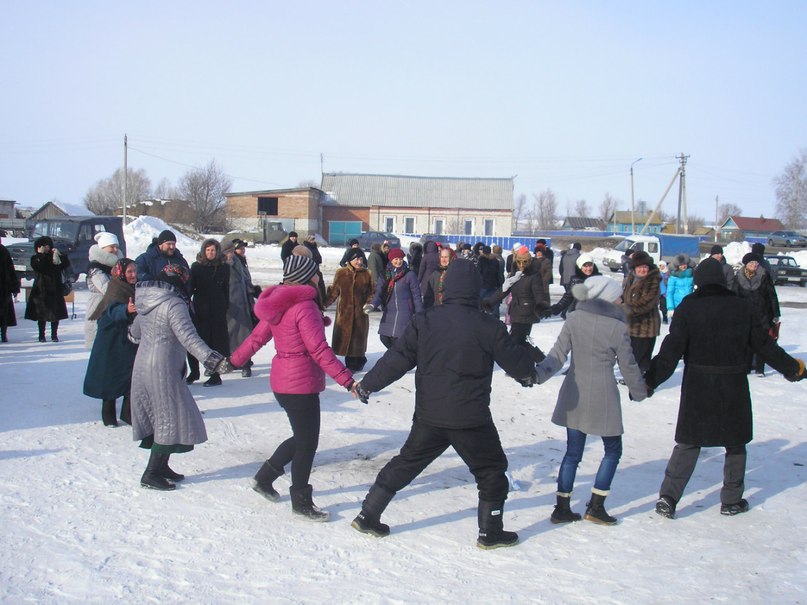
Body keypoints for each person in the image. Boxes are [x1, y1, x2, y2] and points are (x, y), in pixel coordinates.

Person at [350, 259, 538, 549]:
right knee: (491, 471)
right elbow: (518, 365)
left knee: (405, 463)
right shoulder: (488, 325)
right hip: (471, 420)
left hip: (430, 416)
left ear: (446, 288)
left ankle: (367, 514)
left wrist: (367, 385)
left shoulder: (425, 321)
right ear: (475, 288)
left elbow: (396, 360)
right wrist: (529, 369)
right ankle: (490, 533)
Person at [645, 257, 805, 519]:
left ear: (698, 282)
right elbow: (765, 347)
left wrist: (650, 379)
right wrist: (794, 369)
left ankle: (668, 498)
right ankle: (731, 500)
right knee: (736, 443)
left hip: (698, 384)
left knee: (688, 442)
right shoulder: (742, 307)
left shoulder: (688, 307)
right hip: (733, 384)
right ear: (722, 281)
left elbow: (671, 350)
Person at [229, 255, 356, 521]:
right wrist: (347, 380)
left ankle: (264, 478)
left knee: (301, 438)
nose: (319, 277)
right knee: (307, 443)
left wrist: (232, 361)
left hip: (283, 382)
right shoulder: (304, 306)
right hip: (300, 384)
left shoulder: (280, 303)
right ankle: (301, 501)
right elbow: (319, 350)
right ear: (307, 277)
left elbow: (256, 338)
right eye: (316, 273)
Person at [535, 275, 647, 525]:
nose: (621, 299)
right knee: (613, 450)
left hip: (574, 393)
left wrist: (538, 374)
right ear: (607, 297)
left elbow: (557, 355)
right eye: (618, 295)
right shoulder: (617, 327)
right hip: (603, 395)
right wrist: (639, 391)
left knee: (573, 453)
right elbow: (628, 365)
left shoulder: (574, 319)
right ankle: (596, 506)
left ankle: (561, 507)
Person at [129, 263, 229, 491]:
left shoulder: (147, 302)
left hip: (143, 365)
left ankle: (162, 466)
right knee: (169, 418)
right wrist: (213, 360)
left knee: (163, 417)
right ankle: (151, 472)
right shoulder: (174, 304)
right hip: (162, 369)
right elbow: (189, 338)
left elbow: (133, 335)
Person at [83, 258, 138, 427]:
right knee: (110, 380)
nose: (133, 275)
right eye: (129, 272)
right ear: (121, 273)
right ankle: (109, 417)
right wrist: (125, 310)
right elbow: (111, 311)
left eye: (135, 271)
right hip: (111, 341)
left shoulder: (135, 288)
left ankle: (128, 414)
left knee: (131, 379)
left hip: (128, 340)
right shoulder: (115, 289)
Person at [484, 246, 548, 345]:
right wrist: (490, 302)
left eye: (525, 262)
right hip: (515, 312)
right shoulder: (515, 276)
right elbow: (504, 290)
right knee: (518, 342)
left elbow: (538, 293)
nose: (521, 265)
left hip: (526, 313)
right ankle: (527, 358)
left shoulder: (534, 275)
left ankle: (530, 358)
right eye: (519, 262)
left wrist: (542, 307)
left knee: (517, 342)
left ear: (529, 261)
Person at [325, 247, 375, 372]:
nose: (359, 261)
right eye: (356, 259)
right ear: (350, 260)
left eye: (361, 259)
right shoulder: (341, 273)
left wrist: (369, 304)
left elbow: (372, 292)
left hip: (360, 314)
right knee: (346, 340)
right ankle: (351, 365)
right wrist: (324, 303)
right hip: (344, 314)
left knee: (358, 340)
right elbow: (334, 291)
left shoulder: (367, 274)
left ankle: (359, 361)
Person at [188, 239, 230, 387]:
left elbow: (226, 289)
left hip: (218, 311)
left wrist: (225, 306)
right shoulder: (196, 267)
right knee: (195, 341)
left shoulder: (224, 268)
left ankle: (215, 375)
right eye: (208, 250)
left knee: (217, 345)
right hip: (201, 310)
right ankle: (194, 371)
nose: (210, 253)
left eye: (213, 250)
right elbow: (190, 288)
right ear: (203, 251)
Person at [365, 248, 423, 349]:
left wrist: (419, 313)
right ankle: (395, 358)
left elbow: (416, 296)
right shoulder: (385, 275)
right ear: (391, 260)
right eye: (396, 259)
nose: (398, 261)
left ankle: (397, 361)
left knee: (399, 340)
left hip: (405, 313)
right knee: (384, 338)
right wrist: (372, 304)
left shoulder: (409, 275)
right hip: (389, 312)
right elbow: (379, 292)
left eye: (400, 258)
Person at [734, 252, 780, 376]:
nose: (754, 265)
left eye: (756, 262)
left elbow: (772, 295)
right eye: (751, 263)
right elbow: (734, 297)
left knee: (762, 342)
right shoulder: (738, 277)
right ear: (746, 264)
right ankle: (747, 367)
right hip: (745, 315)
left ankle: (760, 369)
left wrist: (776, 313)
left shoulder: (764, 275)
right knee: (747, 343)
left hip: (763, 314)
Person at [24, 236, 72, 343]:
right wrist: (41, 255)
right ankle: (41, 335)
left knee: (55, 314)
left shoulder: (55, 257)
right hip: (41, 290)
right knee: (41, 314)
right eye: (43, 246)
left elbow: (65, 264)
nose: (46, 248)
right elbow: (40, 267)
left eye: (47, 245)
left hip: (55, 289)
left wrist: (59, 254)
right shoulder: (36, 258)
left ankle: (54, 335)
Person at [621, 251, 661, 373]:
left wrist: (624, 309)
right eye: (639, 267)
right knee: (630, 357)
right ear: (634, 268)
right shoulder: (630, 278)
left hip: (645, 328)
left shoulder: (652, 281)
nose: (642, 270)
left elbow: (646, 303)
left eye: (645, 267)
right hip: (630, 326)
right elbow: (624, 296)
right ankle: (635, 379)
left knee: (640, 360)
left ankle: (641, 382)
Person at [225, 238, 258, 377]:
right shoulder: (223, 265)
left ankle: (245, 363)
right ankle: (233, 360)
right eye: (239, 249)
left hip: (244, 303)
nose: (241, 251)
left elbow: (246, 281)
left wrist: (254, 292)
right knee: (230, 335)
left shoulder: (240, 263)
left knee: (246, 335)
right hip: (230, 306)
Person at [84, 231, 123, 349]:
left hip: (115, 309)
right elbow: (107, 289)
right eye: (112, 247)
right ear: (102, 248)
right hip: (99, 309)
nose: (115, 250)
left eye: (117, 247)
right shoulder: (95, 269)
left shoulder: (118, 266)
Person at [540, 253, 601, 319]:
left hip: (596, 315)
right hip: (578, 315)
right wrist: (553, 309)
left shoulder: (599, 279)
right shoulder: (576, 280)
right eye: (585, 266)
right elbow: (568, 297)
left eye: (590, 265)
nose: (588, 268)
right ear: (580, 267)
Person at [0, 236, 20, 343]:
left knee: (3, 312)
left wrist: (14, 286)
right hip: (4, 286)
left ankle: (3, 334)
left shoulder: (3, 251)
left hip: (3, 287)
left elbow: (10, 269)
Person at [477, 245, 503, 315]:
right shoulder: (495, 260)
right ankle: (495, 319)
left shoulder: (481, 260)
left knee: (480, 302)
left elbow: (479, 273)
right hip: (494, 285)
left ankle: (480, 317)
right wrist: (499, 284)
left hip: (483, 285)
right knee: (494, 302)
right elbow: (498, 274)